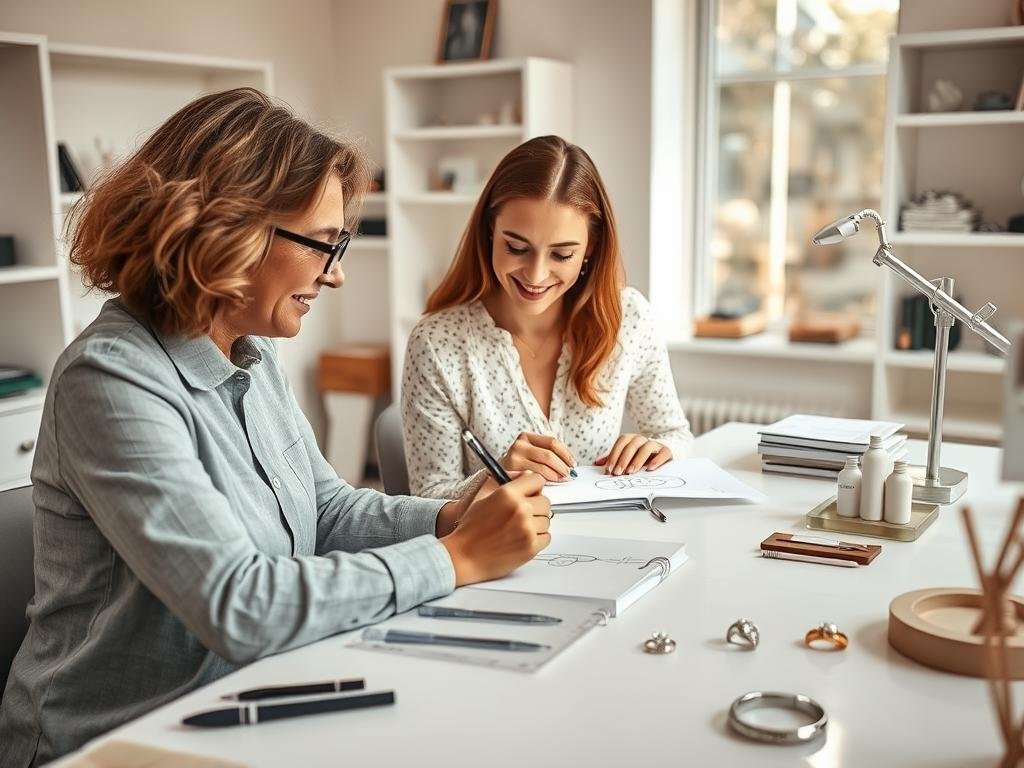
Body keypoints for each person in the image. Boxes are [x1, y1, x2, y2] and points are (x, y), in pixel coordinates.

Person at [0, 88, 551, 766]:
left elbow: (324, 508)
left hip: (242, 701)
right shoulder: (110, 381)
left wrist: (447, 518)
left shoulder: (253, 355)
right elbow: (242, 604)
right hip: (114, 742)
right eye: (323, 243)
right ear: (227, 228)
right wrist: (455, 559)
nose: (338, 273)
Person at [401, 135, 693, 499]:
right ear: (491, 229)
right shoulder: (436, 342)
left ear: (591, 248)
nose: (536, 276)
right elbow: (426, 498)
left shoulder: (627, 318)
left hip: (610, 546)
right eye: (517, 247)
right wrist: (497, 478)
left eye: (561, 255)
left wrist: (659, 450)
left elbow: (674, 434)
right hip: (499, 552)